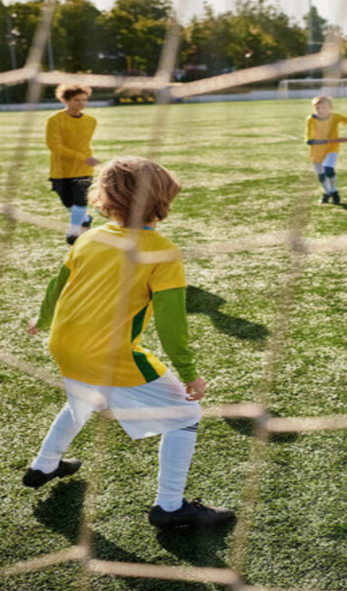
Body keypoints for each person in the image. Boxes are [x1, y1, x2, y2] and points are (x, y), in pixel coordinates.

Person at [24, 156, 234, 532]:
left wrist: (42, 321)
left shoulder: (90, 236)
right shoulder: (162, 250)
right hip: (109, 354)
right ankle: (170, 507)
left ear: (105, 198)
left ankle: (45, 464)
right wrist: (189, 374)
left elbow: (57, 284)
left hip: (63, 343)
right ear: (163, 199)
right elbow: (172, 325)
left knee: (83, 401)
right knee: (185, 416)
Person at [46, 84, 100, 245]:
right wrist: (81, 157)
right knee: (68, 203)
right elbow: (53, 145)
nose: (81, 103)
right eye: (77, 100)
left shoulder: (91, 121)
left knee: (80, 201)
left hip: (84, 168)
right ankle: (85, 219)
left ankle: (73, 233)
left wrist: (85, 160)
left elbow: (82, 145)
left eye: (84, 100)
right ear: (65, 100)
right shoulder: (55, 120)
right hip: (61, 170)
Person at [304, 95, 347, 204]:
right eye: (317, 108)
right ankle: (327, 192)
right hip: (316, 151)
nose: (320, 110)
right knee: (321, 176)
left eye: (323, 107)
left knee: (328, 169)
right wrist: (334, 140)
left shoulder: (335, 117)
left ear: (330, 107)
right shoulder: (311, 120)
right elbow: (309, 141)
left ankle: (334, 192)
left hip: (332, 149)